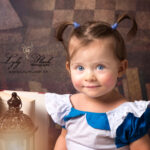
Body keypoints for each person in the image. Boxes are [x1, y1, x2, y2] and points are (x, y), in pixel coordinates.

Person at [45, 13, 150, 150]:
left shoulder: (126, 115)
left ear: (120, 68)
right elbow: (64, 138)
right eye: (80, 68)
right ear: (69, 68)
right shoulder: (69, 107)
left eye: (100, 67)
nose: (89, 77)